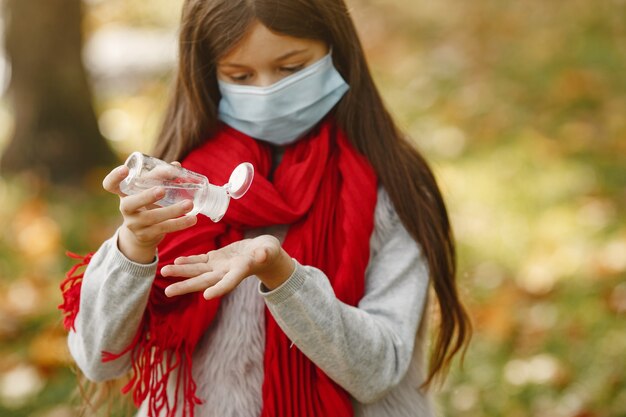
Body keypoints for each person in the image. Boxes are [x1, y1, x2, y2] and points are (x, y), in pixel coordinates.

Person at [60, 0, 472, 416]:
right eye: (239, 75)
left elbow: (378, 371)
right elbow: (100, 360)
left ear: (336, 50)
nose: (266, 91)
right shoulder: (180, 184)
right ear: (208, 73)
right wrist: (133, 247)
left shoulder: (393, 184)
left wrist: (286, 279)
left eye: (291, 69)